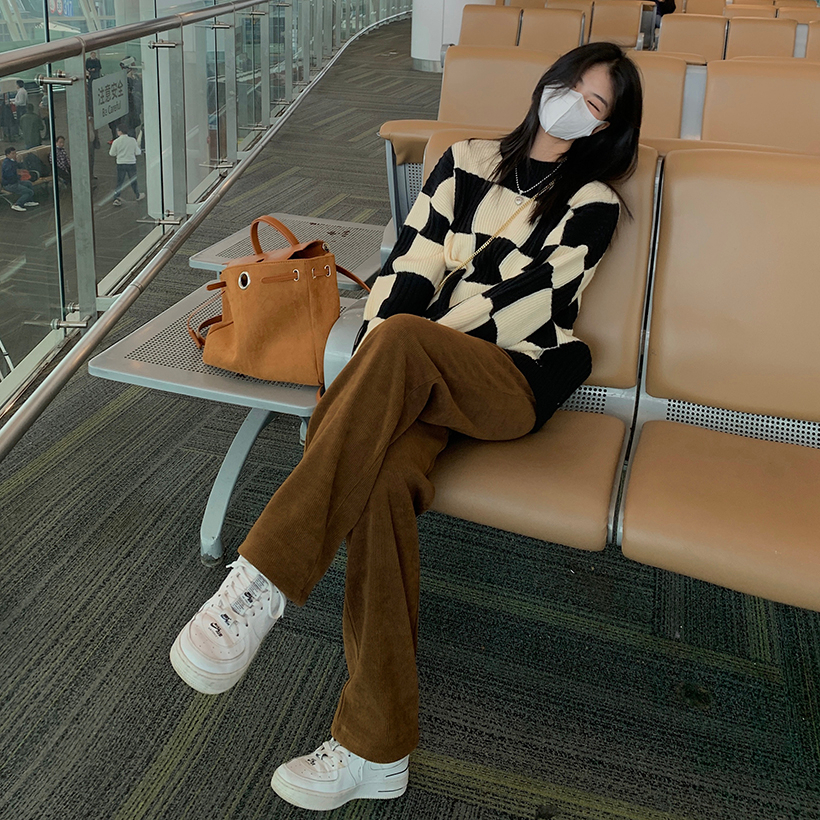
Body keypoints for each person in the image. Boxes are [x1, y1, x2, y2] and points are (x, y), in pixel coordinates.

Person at [170, 42, 642, 812]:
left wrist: (399, 352)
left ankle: (266, 576)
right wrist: (391, 346)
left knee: (398, 342)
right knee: (383, 478)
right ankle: (376, 749)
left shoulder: (591, 202)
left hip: (509, 377)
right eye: (570, 86)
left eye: (593, 104)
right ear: (546, 84)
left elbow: (523, 304)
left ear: (605, 127)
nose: (572, 105)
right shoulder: (465, 161)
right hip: (416, 370)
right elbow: (408, 264)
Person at [108, 124, 144, 205]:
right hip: (131, 163)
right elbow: (138, 152)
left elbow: (112, 153)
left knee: (120, 182)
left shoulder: (116, 141)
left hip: (120, 163)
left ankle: (116, 198)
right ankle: (137, 195)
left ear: (120, 132)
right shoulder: (132, 140)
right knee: (133, 181)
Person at [2, 147, 39, 212]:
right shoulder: (7, 164)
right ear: (7, 155)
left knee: (28, 183)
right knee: (29, 192)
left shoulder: (12, 161)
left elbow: (20, 167)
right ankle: (17, 204)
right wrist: (19, 176)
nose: (15, 155)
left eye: (15, 153)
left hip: (15, 181)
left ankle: (28, 201)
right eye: (13, 154)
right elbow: (10, 176)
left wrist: (19, 162)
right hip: (10, 184)